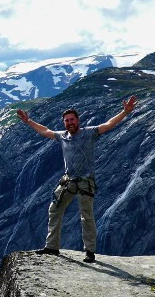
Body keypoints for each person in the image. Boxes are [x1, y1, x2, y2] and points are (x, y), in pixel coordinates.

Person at [16, 96, 137, 263]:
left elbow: (108, 125)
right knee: (54, 209)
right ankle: (52, 246)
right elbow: (44, 131)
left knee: (86, 216)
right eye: (66, 121)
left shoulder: (89, 133)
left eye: (72, 119)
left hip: (85, 182)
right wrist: (28, 121)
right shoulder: (62, 136)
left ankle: (89, 252)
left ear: (78, 120)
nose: (69, 122)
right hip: (68, 181)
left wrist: (125, 112)